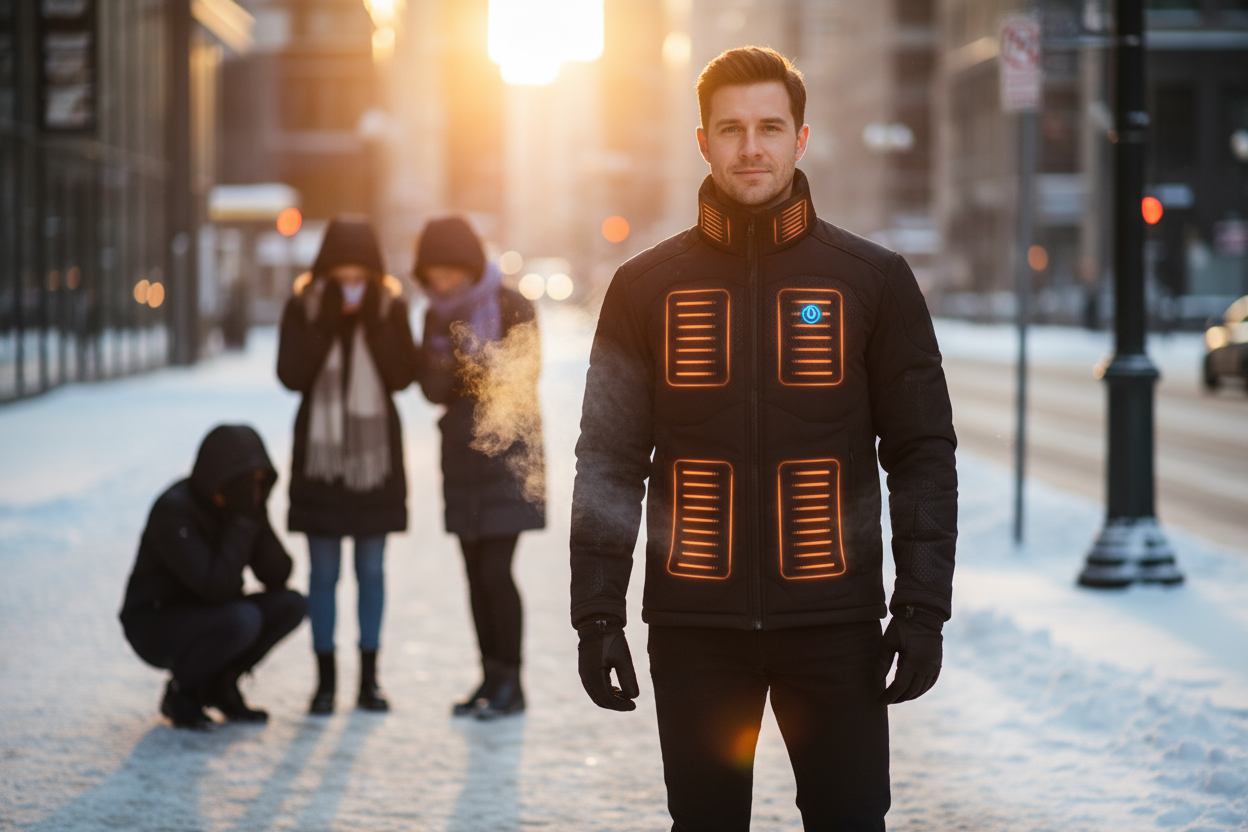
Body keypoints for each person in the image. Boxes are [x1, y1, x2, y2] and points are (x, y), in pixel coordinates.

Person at [569, 47, 958, 830]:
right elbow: (609, 459)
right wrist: (598, 614)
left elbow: (921, 453)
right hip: (695, 629)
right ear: (703, 142)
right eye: (732, 129)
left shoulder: (873, 280)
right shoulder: (644, 288)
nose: (752, 147)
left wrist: (922, 608)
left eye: (770, 127)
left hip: (835, 624)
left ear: (801, 138)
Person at [277, 216, 419, 715]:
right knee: (322, 574)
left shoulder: (390, 308)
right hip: (321, 465)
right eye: (343, 274)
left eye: (361, 275)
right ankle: (324, 682)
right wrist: (327, 323)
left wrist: (373, 325)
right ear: (326, 271)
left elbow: (402, 376)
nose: (352, 283)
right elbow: (291, 375)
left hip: (374, 465)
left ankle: (368, 681)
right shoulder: (304, 307)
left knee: (371, 571)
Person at [414, 216, 546, 720]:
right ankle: (490, 677)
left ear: (469, 267)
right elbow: (431, 390)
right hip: (461, 459)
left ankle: (513, 681)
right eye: (434, 275)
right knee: (474, 574)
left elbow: (525, 375)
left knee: (495, 571)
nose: (443, 283)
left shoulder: (513, 305)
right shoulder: (434, 316)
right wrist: (452, 365)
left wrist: (472, 362)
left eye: (450, 272)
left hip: (509, 459)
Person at [120, 424, 307, 729]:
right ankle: (182, 692)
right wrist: (242, 524)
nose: (255, 492)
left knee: (291, 605)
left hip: (212, 614)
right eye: (249, 483)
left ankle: (222, 685)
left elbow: (277, 574)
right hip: (155, 622)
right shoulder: (174, 511)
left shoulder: (242, 506)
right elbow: (215, 586)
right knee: (243, 619)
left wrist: (256, 518)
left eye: (261, 483)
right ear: (224, 477)